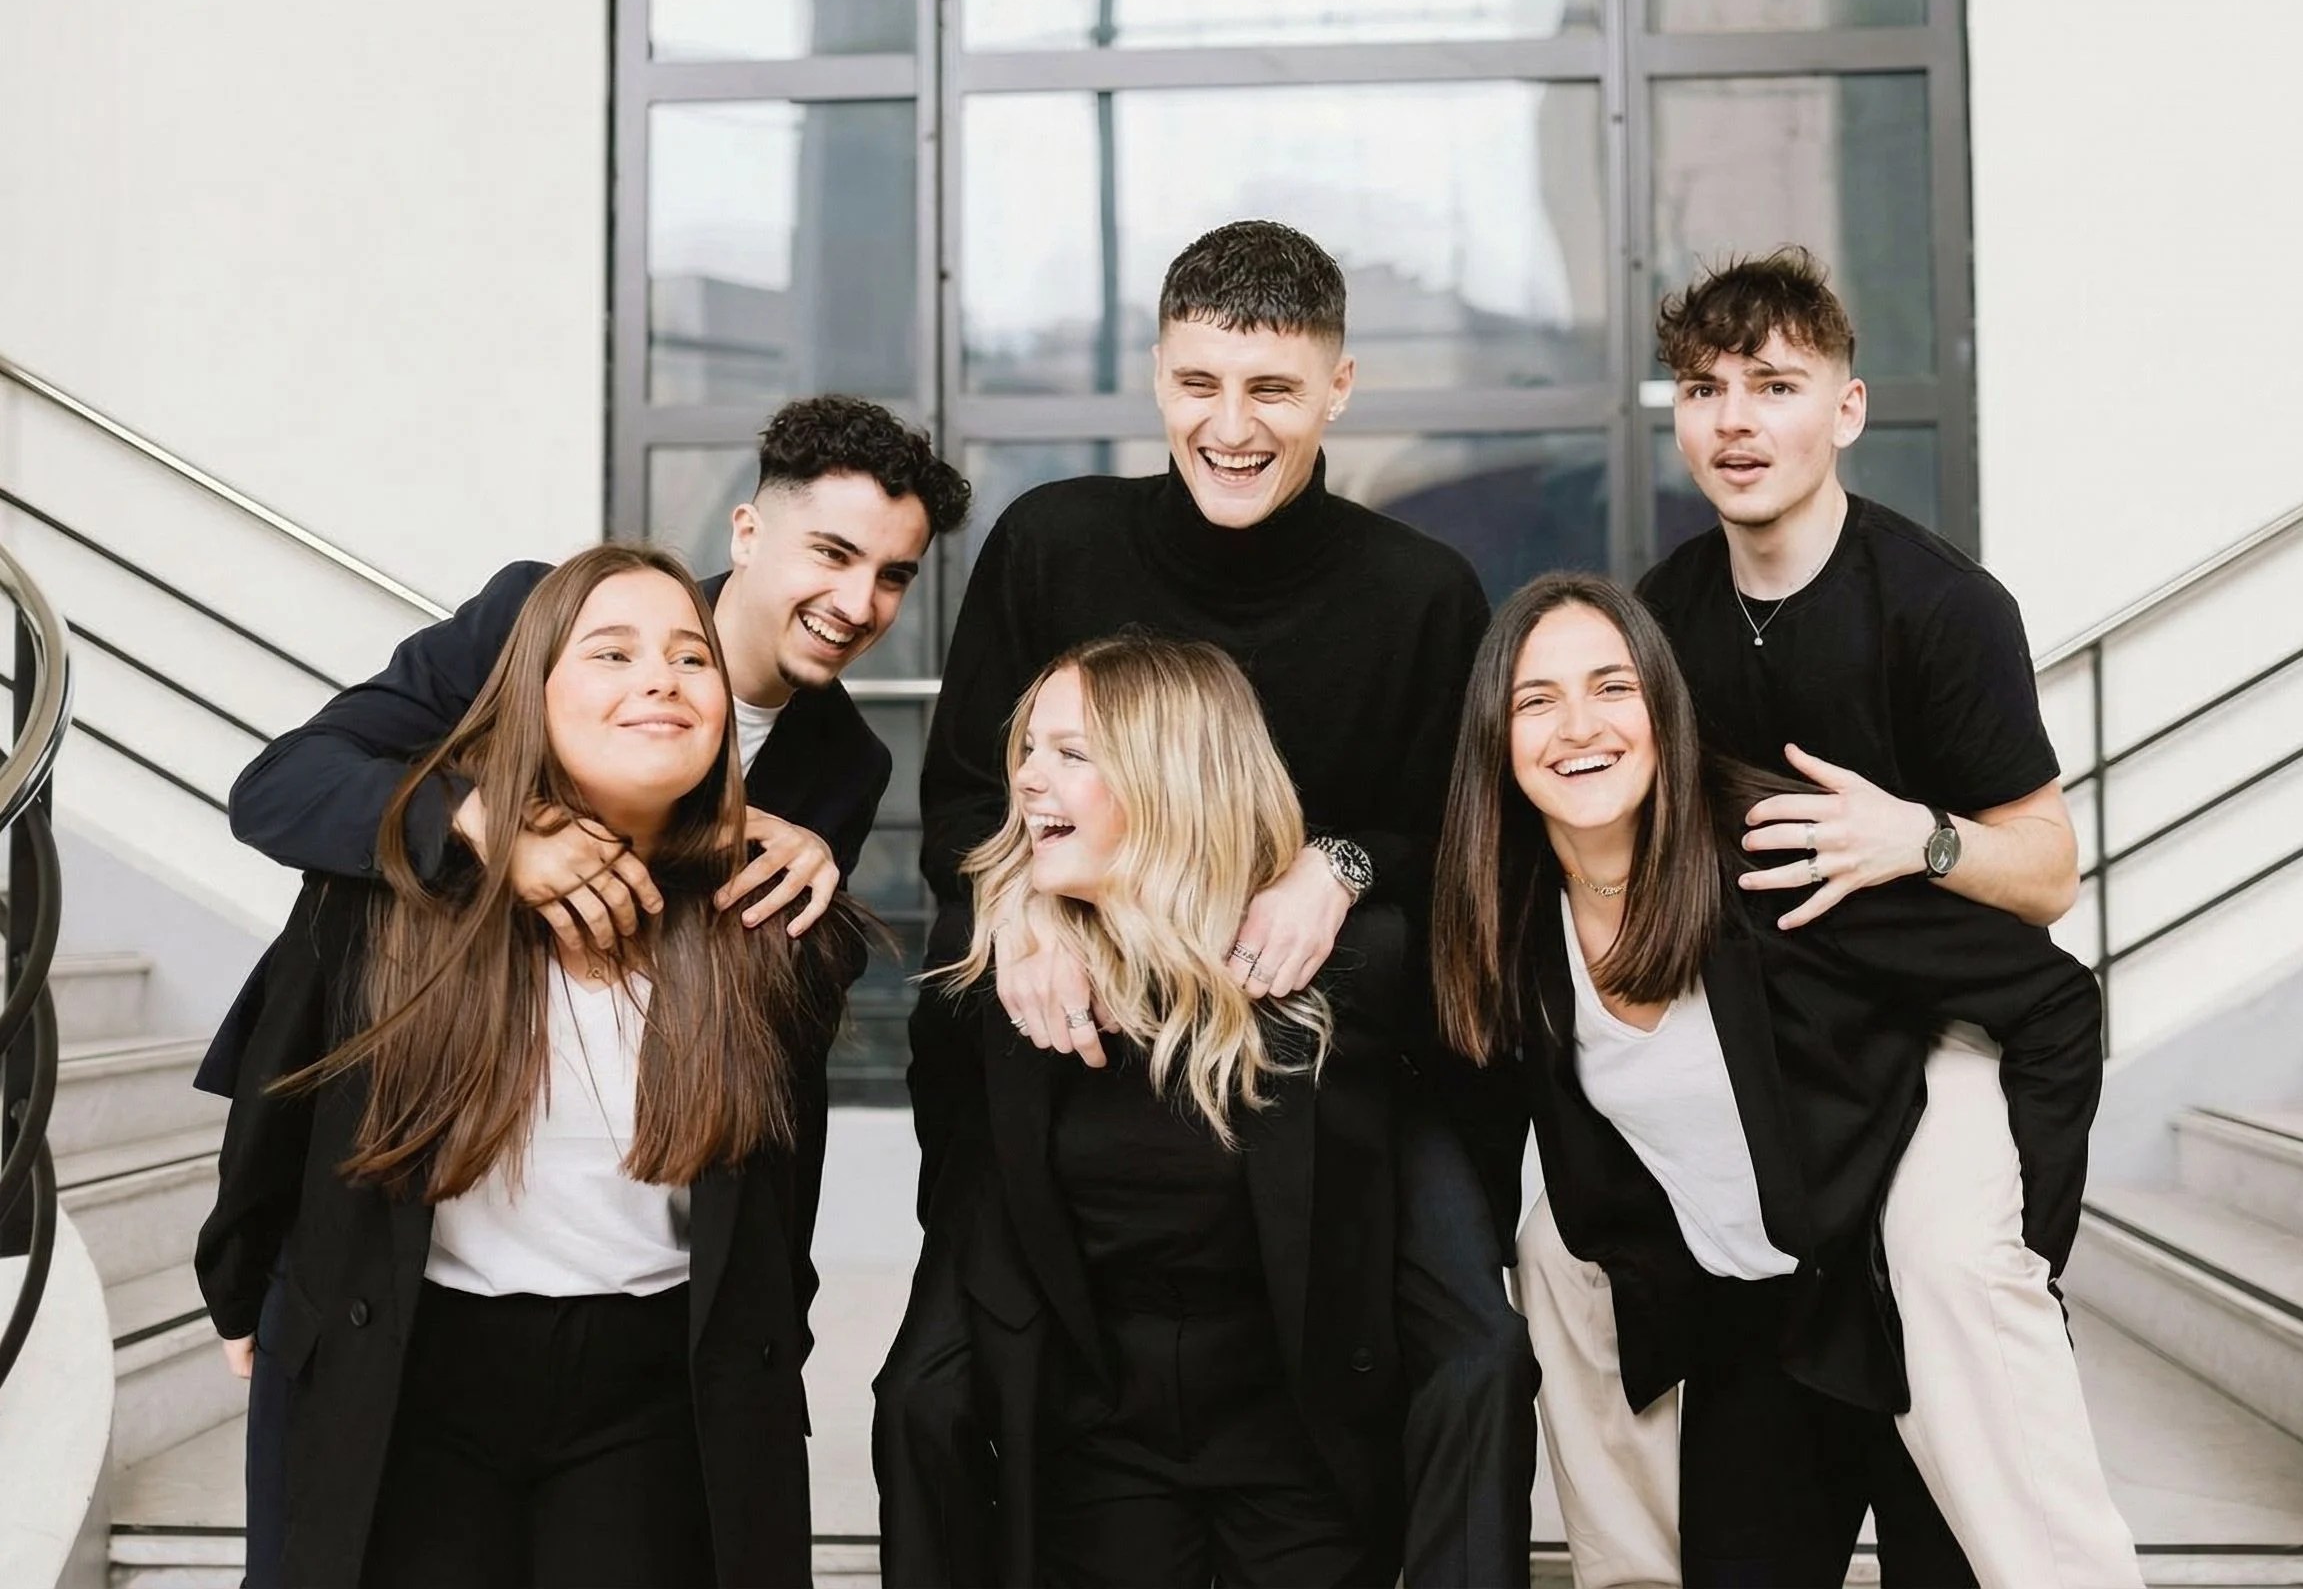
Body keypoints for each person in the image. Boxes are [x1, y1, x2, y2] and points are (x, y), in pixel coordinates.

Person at [203, 394, 968, 1588]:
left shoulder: (843, 763)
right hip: (413, 1140)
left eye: (893, 577)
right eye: (832, 552)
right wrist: (486, 824)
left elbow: (770, 1092)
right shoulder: (549, 614)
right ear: (748, 531)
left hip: (636, 1276)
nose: (858, 601)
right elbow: (286, 785)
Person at [878, 220, 1533, 1587]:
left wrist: (1338, 866)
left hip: (1327, 1046)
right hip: (1084, 1025)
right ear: (1156, 375)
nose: (1230, 428)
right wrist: (1022, 915)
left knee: (1477, 1356)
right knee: (931, 1396)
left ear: (1337, 389)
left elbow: (1465, 843)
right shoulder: (1055, 543)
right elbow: (965, 800)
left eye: (1272, 390)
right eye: (1198, 384)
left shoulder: (1418, 594)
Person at [1513, 249, 2137, 1588]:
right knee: (1559, 1240)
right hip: (1767, 1036)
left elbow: (2048, 874)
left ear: (1845, 409)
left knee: (1948, 1265)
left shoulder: (1940, 606)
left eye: (1774, 386)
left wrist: (1918, 838)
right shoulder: (1663, 617)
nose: (1733, 421)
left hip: (1933, 1016)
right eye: (1703, 389)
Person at [1433, 573, 2105, 1585]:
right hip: (1766, 1336)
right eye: (1537, 699)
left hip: (1904, 1314)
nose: (1579, 727)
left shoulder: (1770, 858)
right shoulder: (1514, 918)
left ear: (1663, 710)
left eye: (1611, 687)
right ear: (1496, 736)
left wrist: (2020, 1250)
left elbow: (2051, 1001)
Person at [908, 633, 1408, 1585]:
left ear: (1173, 781)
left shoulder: (1346, 969)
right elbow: (962, 1202)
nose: (1028, 778)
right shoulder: (997, 978)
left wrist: (1339, 864)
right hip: (1100, 1444)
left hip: (1298, 1444)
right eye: (1028, 749)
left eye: (1071, 753)